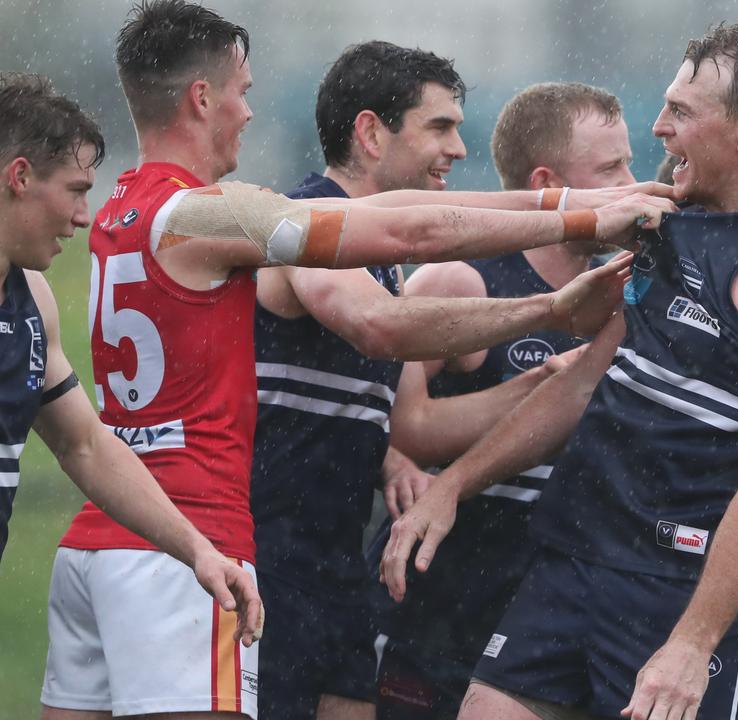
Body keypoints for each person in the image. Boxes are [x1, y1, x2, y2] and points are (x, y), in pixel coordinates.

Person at [43, 2, 672, 719]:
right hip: (196, 540)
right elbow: (406, 246)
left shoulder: (121, 206)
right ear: (201, 98)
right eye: (243, 93)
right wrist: (577, 242)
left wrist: (579, 210)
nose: (250, 113)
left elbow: (405, 261)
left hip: (111, 537)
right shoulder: (210, 213)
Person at [382, 24, 738, 720]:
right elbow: (584, 383)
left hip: (680, 591)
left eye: (681, 112)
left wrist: (690, 644)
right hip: (573, 560)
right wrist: (453, 487)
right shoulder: (667, 220)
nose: (659, 127)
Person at [251, 42, 643, 720]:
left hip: (337, 564)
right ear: (371, 132)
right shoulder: (303, 221)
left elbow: (415, 425)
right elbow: (381, 327)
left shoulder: (382, 262)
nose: (459, 148)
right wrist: (548, 310)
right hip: (267, 559)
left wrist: (538, 390)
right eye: (439, 127)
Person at [372, 80, 637, 720]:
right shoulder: (461, 278)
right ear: (547, 181)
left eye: (629, 161)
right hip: (442, 605)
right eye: (611, 168)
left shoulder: (628, 291)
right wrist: (392, 461)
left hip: (556, 610)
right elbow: (374, 406)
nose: (633, 182)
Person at [0, 70, 261, 661]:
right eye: (72, 190)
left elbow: (85, 447)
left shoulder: (32, 302)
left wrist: (197, 550)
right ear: (20, 178)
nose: (84, 217)